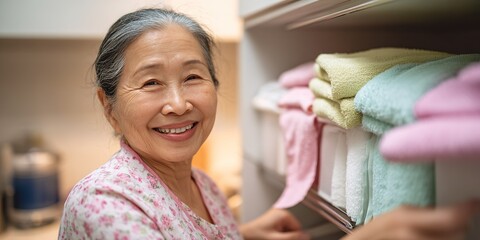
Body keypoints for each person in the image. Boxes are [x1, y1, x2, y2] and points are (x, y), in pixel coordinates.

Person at [59, 8, 479, 240]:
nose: (178, 103)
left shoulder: (202, 186)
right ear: (109, 106)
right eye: (151, 83)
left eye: (192, 77)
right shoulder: (102, 201)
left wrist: (240, 236)